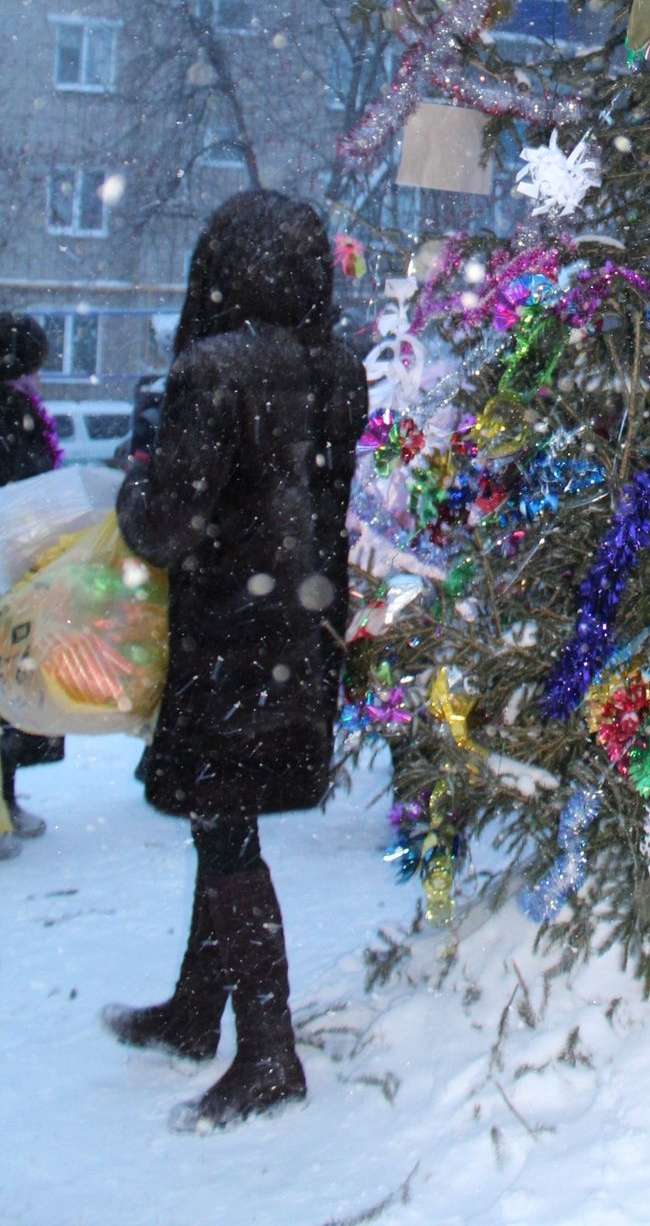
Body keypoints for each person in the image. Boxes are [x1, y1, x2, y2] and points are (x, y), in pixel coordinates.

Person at [103, 193, 367, 1129]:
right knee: (228, 819)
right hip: (300, 638)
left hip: (228, 643)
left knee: (225, 834)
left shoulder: (213, 369)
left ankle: (267, 1050)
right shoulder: (340, 367)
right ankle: (193, 1011)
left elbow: (167, 525)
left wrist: (133, 488)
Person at [0, 313, 66, 861]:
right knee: (8, 695)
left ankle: (6, 804)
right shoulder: (14, 412)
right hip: (9, 576)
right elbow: (35, 492)